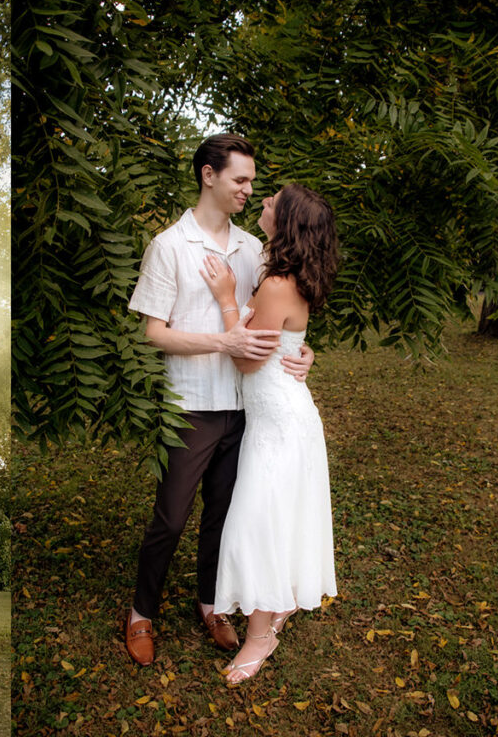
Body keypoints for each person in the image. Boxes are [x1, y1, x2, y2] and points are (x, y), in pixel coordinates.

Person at [124, 134, 315, 667]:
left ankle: (212, 604)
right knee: (171, 518)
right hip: (191, 403)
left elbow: (278, 316)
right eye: (240, 179)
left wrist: (304, 351)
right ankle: (140, 613)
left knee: (225, 515)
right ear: (208, 175)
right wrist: (222, 342)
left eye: (253, 181)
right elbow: (153, 333)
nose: (249, 190)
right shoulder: (168, 246)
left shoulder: (255, 248)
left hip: (249, 408)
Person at [201, 183, 339, 682]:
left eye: (272, 202)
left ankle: (261, 635)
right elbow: (289, 340)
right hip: (284, 416)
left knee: (258, 521)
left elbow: (246, 358)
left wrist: (225, 300)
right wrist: (305, 352)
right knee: (277, 517)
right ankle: (278, 603)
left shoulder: (278, 283)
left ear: (287, 222)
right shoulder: (289, 274)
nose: (262, 202)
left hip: (279, 422)